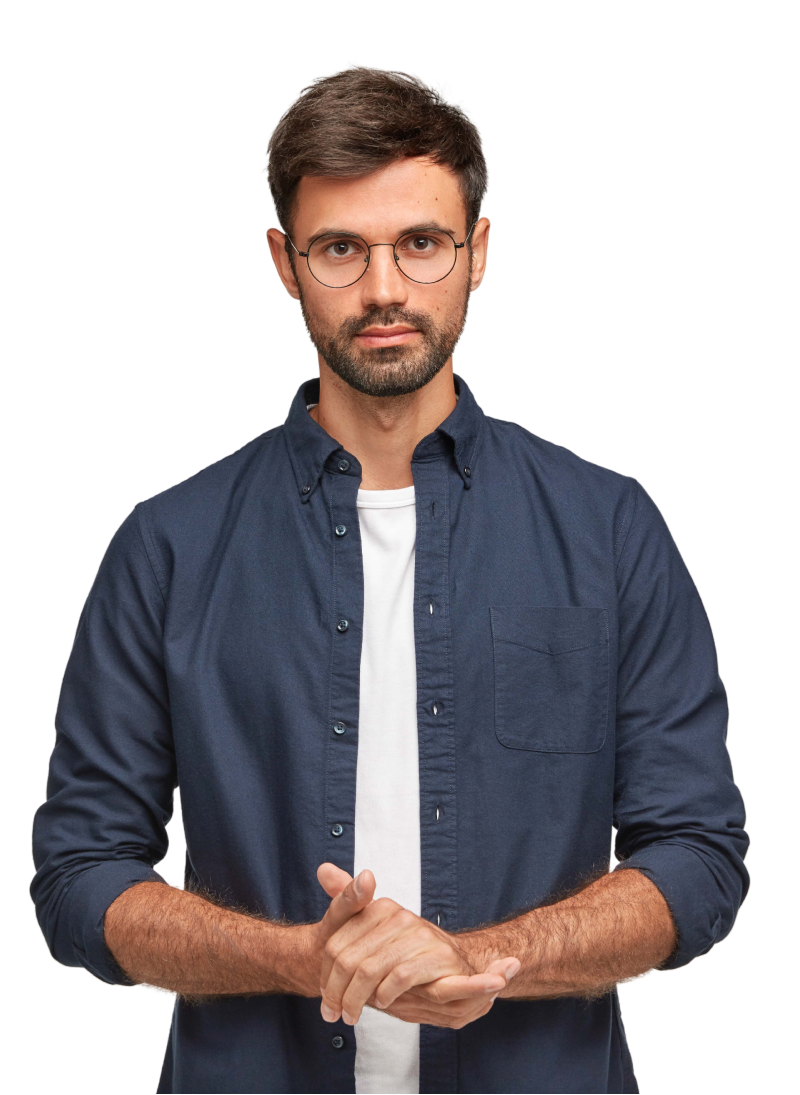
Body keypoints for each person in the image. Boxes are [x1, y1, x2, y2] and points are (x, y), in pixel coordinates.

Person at [30, 63, 750, 1094]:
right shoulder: (166, 546)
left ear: (478, 252)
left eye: (420, 243)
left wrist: (481, 958)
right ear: (284, 263)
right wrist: (297, 958)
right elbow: (77, 879)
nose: (382, 290)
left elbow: (697, 858)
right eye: (340, 249)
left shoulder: (610, 529)